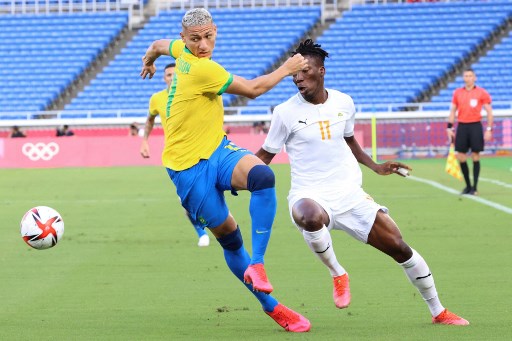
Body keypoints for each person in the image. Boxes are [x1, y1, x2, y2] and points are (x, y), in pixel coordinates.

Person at [256, 39, 469, 326]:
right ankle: (338, 273)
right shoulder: (284, 112)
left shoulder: (344, 102)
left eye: (304, 72)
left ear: (321, 70)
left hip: (349, 194)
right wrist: (234, 174)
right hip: (309, 193)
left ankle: (439, 311)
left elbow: (349, 140)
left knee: (400, 247)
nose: (297, 78)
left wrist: (376, 166)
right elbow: (265, 155)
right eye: (294, 74)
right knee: (308, 216)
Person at [140, 8, 310, 332]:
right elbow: (255, 89)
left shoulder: (179, 51)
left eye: (208, 36)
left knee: (263, 176)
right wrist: (288, 68)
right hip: (187, 169)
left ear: (215, 30)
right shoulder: (204, 69)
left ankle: (257, 265)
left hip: (216, 149)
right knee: (231, 241)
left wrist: (148, 59)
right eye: (195, 40)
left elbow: (158, 44)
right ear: (185, 39)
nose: (203, 44)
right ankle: (271, 307)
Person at [140, 62, 210, 247]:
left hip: (200, 150)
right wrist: (145, 141)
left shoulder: (190, 94)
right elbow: (149, 120)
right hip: (176, 156)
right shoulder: (156, 99)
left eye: (174, 74)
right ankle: (201, 232)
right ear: (164, 78)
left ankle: (221, 226)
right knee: (185, 200)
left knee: (208, 193)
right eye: (168, 75)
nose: (172, 77)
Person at [447, 68, 493, 195]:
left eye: (470, 76)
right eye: (466, 76)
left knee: (475, 156)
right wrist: (449, 127)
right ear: (463, 78)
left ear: (475, 78)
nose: (468, 78)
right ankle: (467, 186)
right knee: (461, 156)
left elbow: (489, 111)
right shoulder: (457, 93)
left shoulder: (481, 93)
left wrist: (489, 129)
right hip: (462, 126)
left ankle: (475, 187)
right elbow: (453, 110)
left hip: (475, 126)